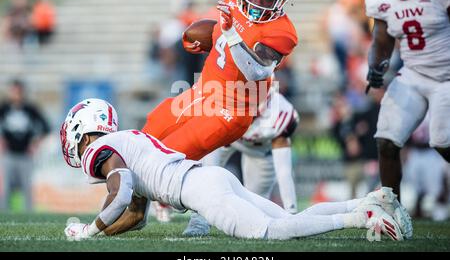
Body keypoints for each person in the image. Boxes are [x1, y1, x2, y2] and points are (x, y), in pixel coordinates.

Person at [61, 98, 409, 241]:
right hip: (210, 177)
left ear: (84, 129)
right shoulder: (126, 141)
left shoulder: (99, 148)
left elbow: (120, 191)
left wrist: (86, 231)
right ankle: (371, 199)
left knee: (272, 232)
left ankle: (360, 218)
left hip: (200, 190)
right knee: (289, 219)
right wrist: (99, 232)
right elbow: (136, 214)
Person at [141, 0, 298, 161]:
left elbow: (256, 71)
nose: (257, 2)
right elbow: (221, 32)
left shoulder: (281, 33)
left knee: (166, 157)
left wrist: (230, 34)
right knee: (148, 133)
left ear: (280, 1)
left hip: (230, 111)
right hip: (202, 91)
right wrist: (209, 40)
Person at [365, 0, 450, 200]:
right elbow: (381, 41)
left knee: (443, 143)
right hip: (413, 74)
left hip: (446, 76)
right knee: (386, 140)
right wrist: (376, 66)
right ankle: (393, 209)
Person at [183, 87, 299, 236]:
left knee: (255, 204)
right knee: (207, 170)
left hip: (260, 152)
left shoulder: (280, 113)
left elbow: (283, 171)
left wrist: (292, 211)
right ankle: (200, 219)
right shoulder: (225, 99)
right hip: (228, 139)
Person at [0, 79, 50, 211]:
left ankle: (28, 215)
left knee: (27, 187)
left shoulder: (30, 109)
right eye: (14, 91)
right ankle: (4, 215)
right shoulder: (4, 108)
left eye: (19, 91)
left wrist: (36, 143)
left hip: (25, 155)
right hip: (8, 154)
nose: (16, 94)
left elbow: (46, 127)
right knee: (6, 187)